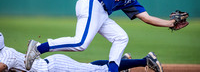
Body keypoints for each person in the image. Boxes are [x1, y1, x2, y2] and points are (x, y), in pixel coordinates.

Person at [25, 0, 175, 72]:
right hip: (93, 2)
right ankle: (38, 48)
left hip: (101, 12)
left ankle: (112, 70)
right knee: (80, 43)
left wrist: (171, 23)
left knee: (121, 37)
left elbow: (147, 18)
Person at [0, 32, 163, 72]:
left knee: (100, 70)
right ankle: (124, 62)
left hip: (56, 68)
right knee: (91, 67)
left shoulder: (5, 54)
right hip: (53, 66)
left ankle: (145, 60)